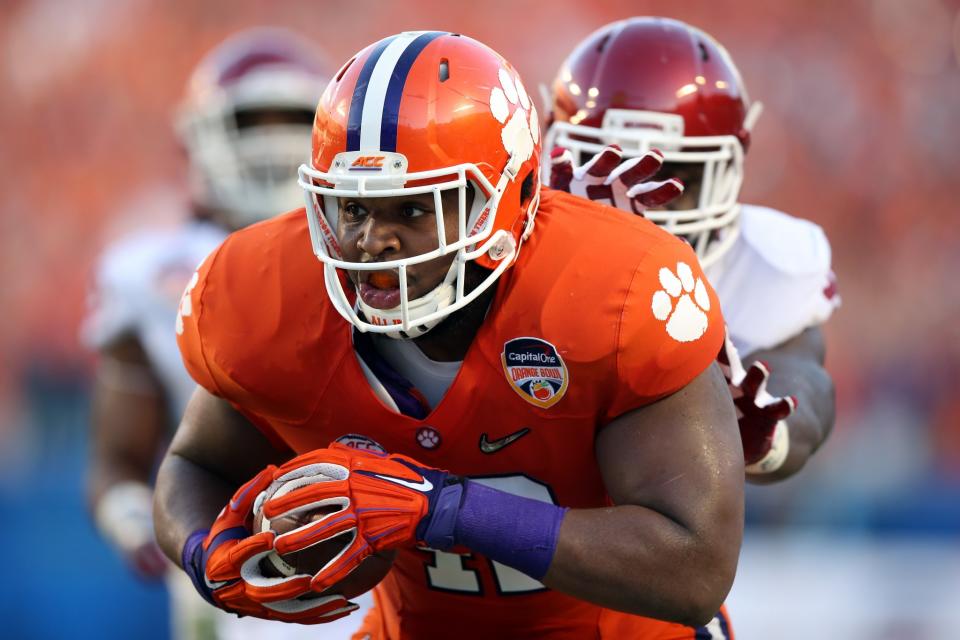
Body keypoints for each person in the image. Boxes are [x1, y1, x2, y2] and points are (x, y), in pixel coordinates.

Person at [154, 30, 745, 639]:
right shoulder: (267, 294)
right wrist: (204, 552)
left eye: (413, 208)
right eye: (354, 207)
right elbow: (195, 462)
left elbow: (693, 570)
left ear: (510, 196)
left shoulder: (611, 291)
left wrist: (442, 509)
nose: (370, 241)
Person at [82, 27, 365, 640]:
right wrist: (143, 526)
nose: (268, 144)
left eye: (286, 121)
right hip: (225, 547)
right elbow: (118, 459)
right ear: (201, 137)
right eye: (249, 123)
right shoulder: (146, 272)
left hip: (368, 536)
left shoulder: (375, 254)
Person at [545, 17, 839, 484]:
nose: (640, 201)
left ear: (729, 170)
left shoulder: (767, 262)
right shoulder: (515, 242)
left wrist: (765, 434)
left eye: (676, 178)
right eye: (607, 167)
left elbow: (805, 387)